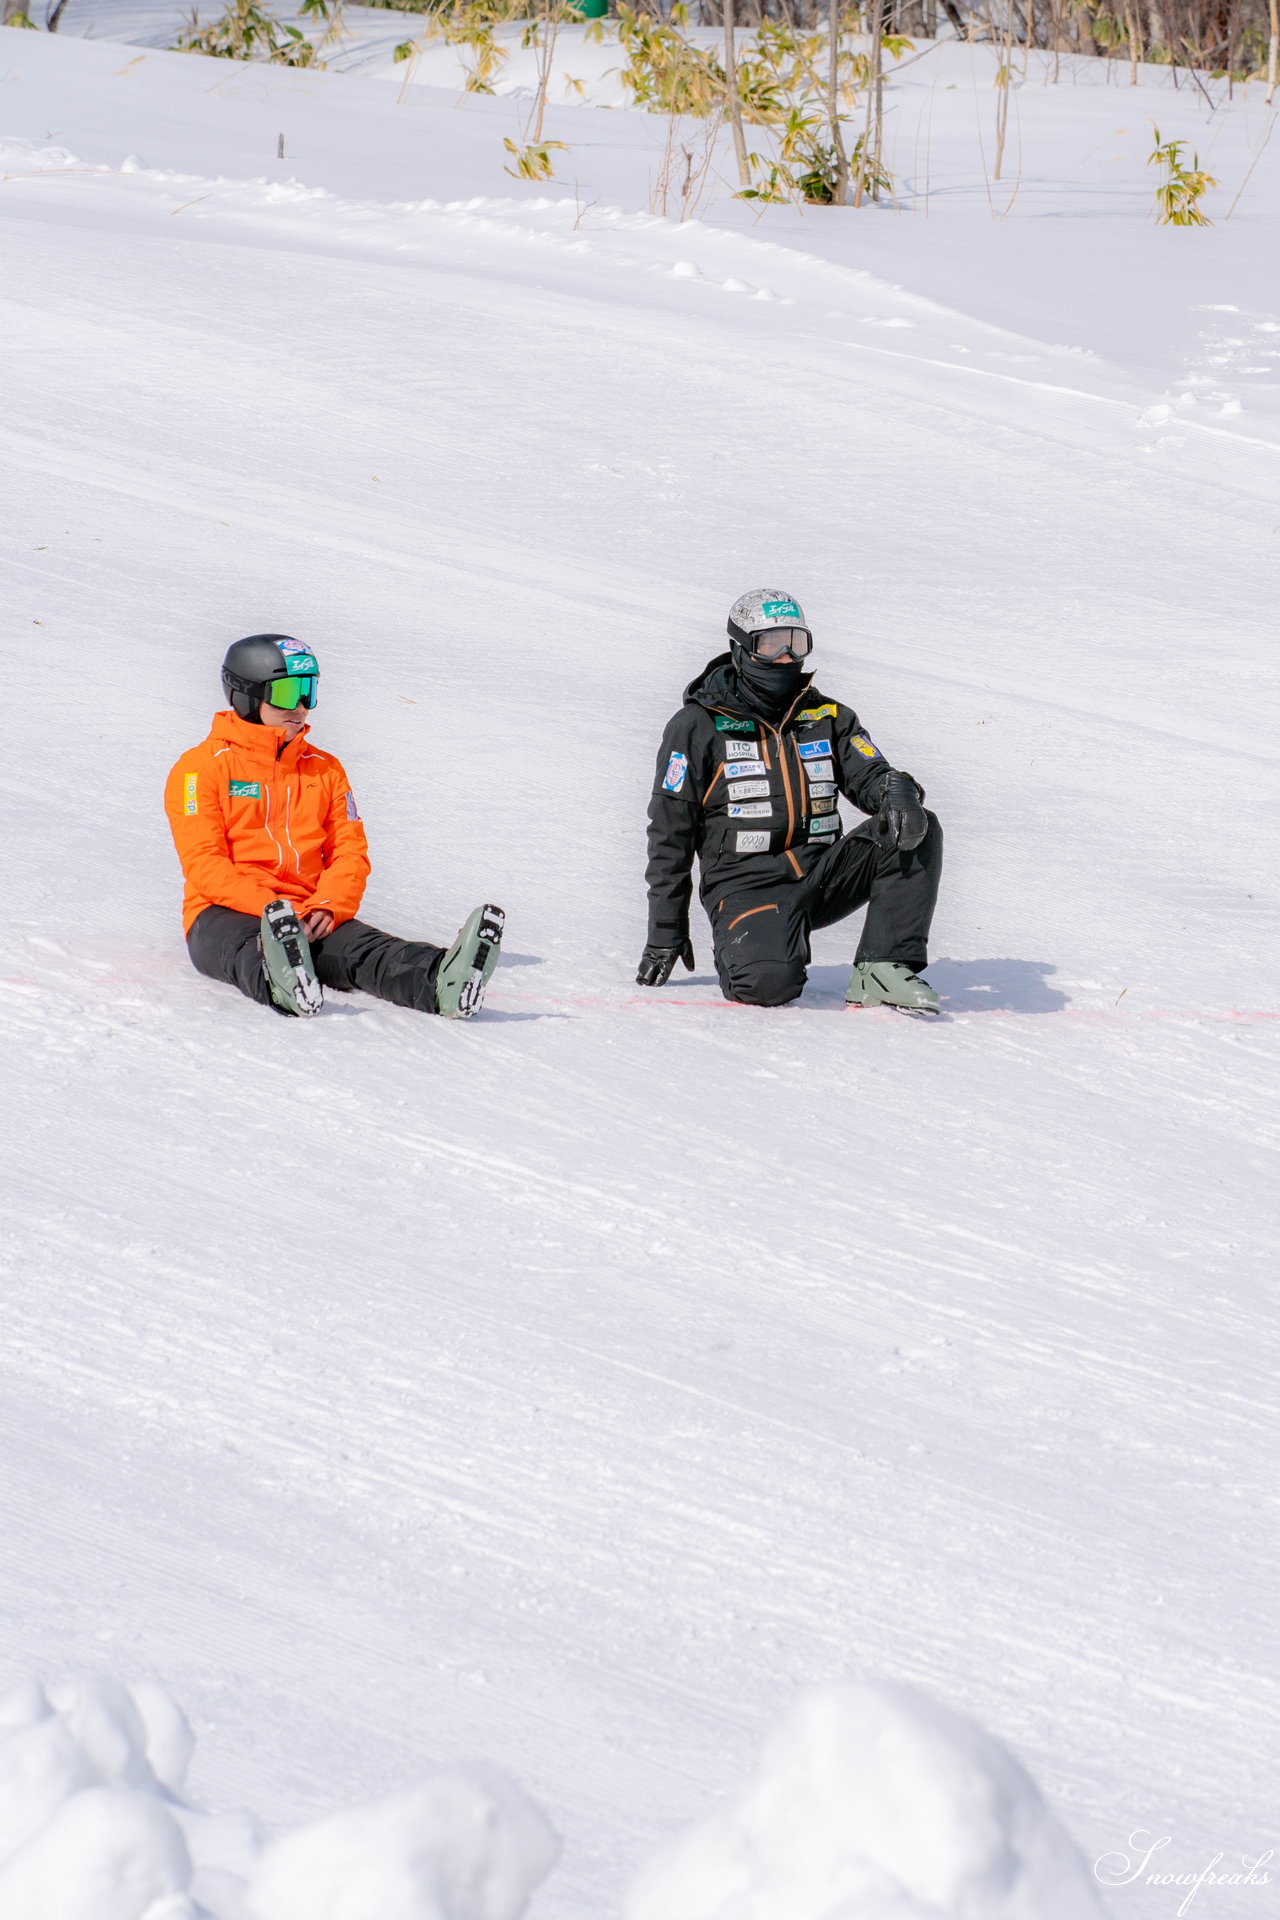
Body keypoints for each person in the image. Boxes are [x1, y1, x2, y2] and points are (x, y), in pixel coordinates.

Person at [164, 634, 503, 1020]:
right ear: (246, 695)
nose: (302, 707)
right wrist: (275, 912)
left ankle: (443, 980)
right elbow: (205, 864)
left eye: (309, 690)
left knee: (365, 949)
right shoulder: (200, 768)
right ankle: (282, 980)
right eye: (288, 692)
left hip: (310, 910)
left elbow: (349, 851)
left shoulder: (325, 769)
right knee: (248, 948)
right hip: (222, 914)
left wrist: (330, 905)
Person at [637, 589, 942, 1013]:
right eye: (771, 643)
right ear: (740, 648)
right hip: (746, 886)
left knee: (912, 822)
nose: (785, 657)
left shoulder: (829, 717)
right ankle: (766, 942)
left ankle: (884, 966)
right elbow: (669, 833)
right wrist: (665, 930)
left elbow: (870, 774)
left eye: (796, 643)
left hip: (822, 873)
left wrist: (897, 789)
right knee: (768, 987)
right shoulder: (697, 726)